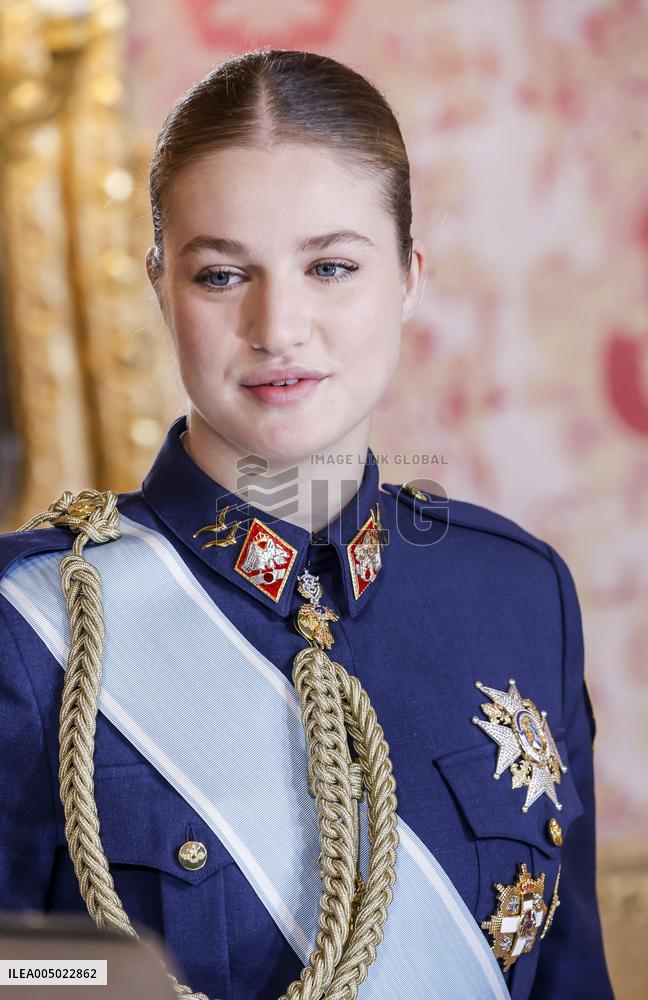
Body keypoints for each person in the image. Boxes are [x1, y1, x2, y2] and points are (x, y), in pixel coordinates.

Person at [0, 49, 613, 999]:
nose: (278, 326)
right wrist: (110, 984)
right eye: (220, 276)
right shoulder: (32, 624)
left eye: (331, 266)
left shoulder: (518, 594)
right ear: (159, 285)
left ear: (408, 276)